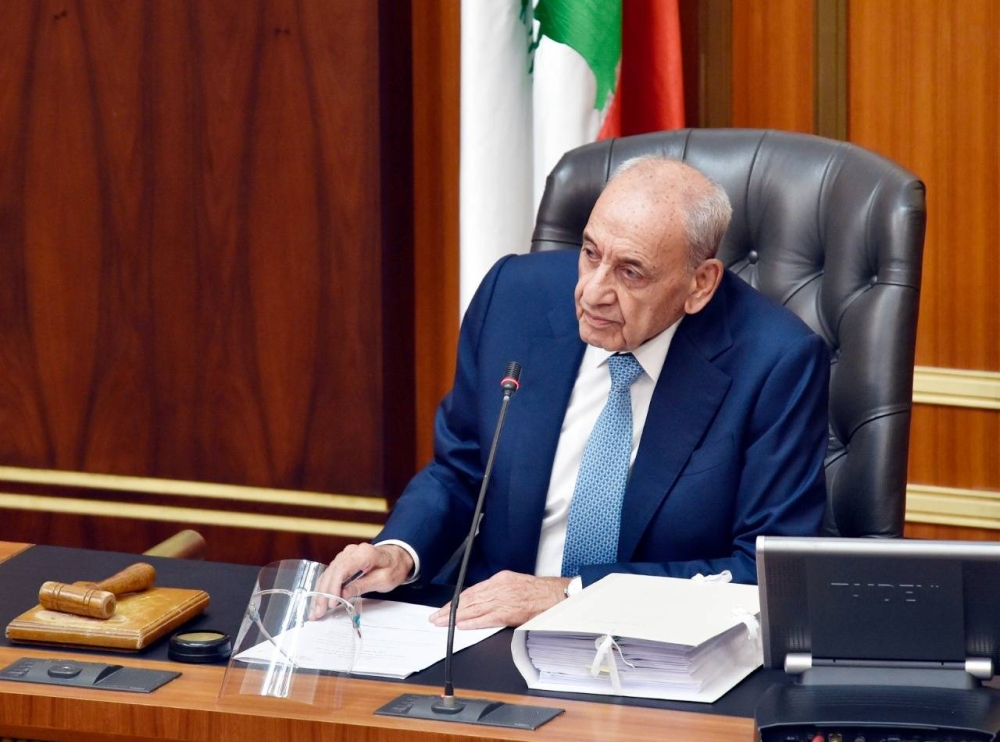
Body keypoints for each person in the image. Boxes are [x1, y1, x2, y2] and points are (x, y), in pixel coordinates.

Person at [313, 156, 829, 629]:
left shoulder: (775, 361)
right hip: (487, 636)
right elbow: (462, 467)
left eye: (630, 272)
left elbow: (766, 570)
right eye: (590, 253)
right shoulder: (513, 296)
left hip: (655, 651)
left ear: (700, 284)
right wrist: (400, 551)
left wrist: (569, 595)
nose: (592, 291)